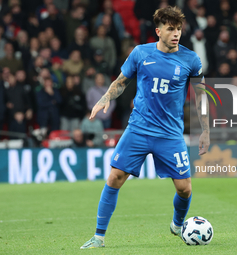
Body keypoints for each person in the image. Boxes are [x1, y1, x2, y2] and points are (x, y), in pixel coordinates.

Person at [80, 6, 209, 249]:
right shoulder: (140, 53)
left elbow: (201, 97)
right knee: (115, 178)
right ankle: (98, 237)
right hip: (138, 128)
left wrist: (206, 130)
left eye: (179, 29)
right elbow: (121, 82)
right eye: (171, 29)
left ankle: (177, 225)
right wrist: (105, 98)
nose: (176, 34)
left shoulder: (191, 59)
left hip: (170, 134)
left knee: (184, 189)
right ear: (158, 31)